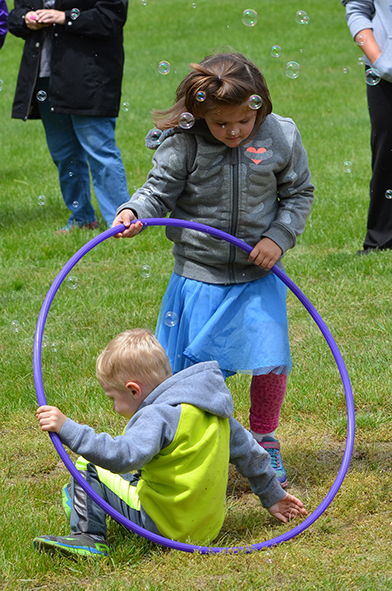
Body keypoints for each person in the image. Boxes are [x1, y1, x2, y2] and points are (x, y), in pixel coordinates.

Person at [112, 52, 315, 488]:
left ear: (260, 105)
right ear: (199, 112)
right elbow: (157, 192)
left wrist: (277, 237)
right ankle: (191, 441)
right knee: (196, 371)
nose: (233, 132)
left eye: (243, 121)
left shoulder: (280, 136)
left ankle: (264, 438)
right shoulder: (183, 143)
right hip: (199, 276)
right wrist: (133, 210)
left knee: (270, 359)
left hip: (257, 275)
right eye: (221, 124)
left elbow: (299, 193)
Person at [34, 328, 307, 557]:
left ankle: (88, 537)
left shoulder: (157, 415)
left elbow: (121, 457)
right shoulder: (213, 411)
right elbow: (253, 455)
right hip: (206, 529)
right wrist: (273, 497)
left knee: (85, 466)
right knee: (133, 470)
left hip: (163, 527)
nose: (114, 407)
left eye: (112, 398)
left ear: (133, 390)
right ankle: (87, 499)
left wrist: (67, 427)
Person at [7, 0, 130, 232]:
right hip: (44, 78)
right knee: (63, 154)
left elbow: (111, 18)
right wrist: (26, 19)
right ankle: (82, 219)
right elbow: (13, 17)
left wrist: (63, 17)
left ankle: (122, 224)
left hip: (88, 75)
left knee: (100, 152)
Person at [342, 0, 392, 253]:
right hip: (386, 73)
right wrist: (382, 62)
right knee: (387, 152)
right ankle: (381, 240)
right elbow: (358, 8)